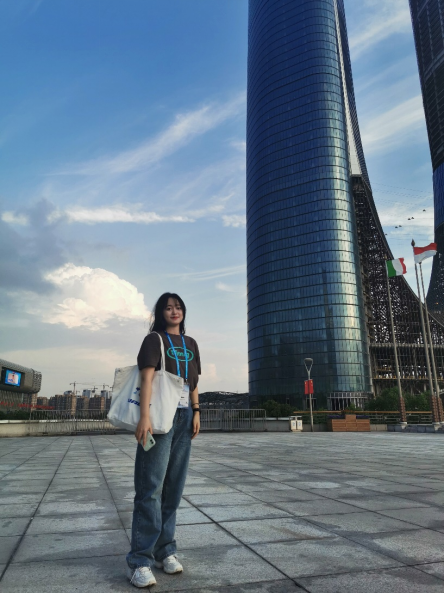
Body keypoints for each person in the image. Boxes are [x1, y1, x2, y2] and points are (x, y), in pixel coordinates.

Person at [126, 293, 201, 588]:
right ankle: (140, 561)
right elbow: (146, 378)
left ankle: (165, 550)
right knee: (151, 488)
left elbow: (193, 383)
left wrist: (196, 411)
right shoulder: (154, 340)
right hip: (159, 416)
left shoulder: (191, 343)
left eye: (178, 307)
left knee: (173, 489)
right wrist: (144, 416)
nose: (174, 311)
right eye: (168, 308)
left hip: (184, 417)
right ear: (160, 313)